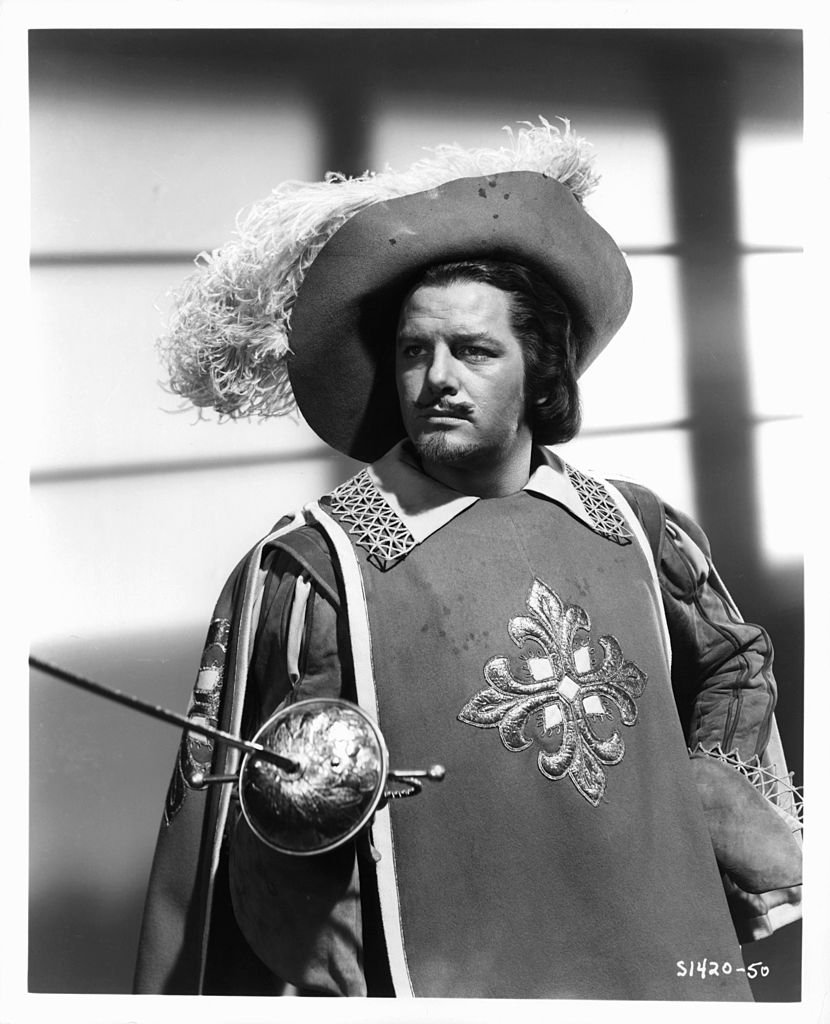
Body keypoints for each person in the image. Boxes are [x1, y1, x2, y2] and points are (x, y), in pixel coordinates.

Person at [134, 119, 802, 1000]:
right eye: (415, 351)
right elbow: (249, 824)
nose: (437, 378)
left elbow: (731, 659)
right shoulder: (317, 567)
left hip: (665, 962)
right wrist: (323, 945)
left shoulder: (635, 523)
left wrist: (716, 791)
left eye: (475, 350)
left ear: (541, 372)